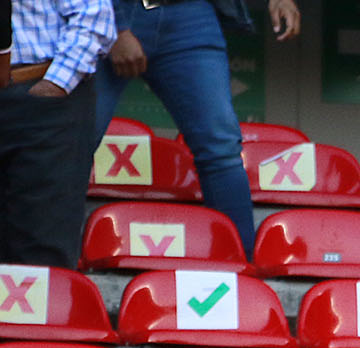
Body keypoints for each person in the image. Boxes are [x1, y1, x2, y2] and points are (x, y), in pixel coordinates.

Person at [92, 0, 300, 259]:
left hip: (189, 15)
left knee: (221, 146)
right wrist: (117, 27)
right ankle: (56, 270)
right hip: (109, 10)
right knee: (74, 142)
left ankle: (239, 269)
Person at [0, 0, 112, 268]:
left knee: (42, 255)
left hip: (40, 95)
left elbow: (94, 15)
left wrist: (56, 84)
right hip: (37, 92)